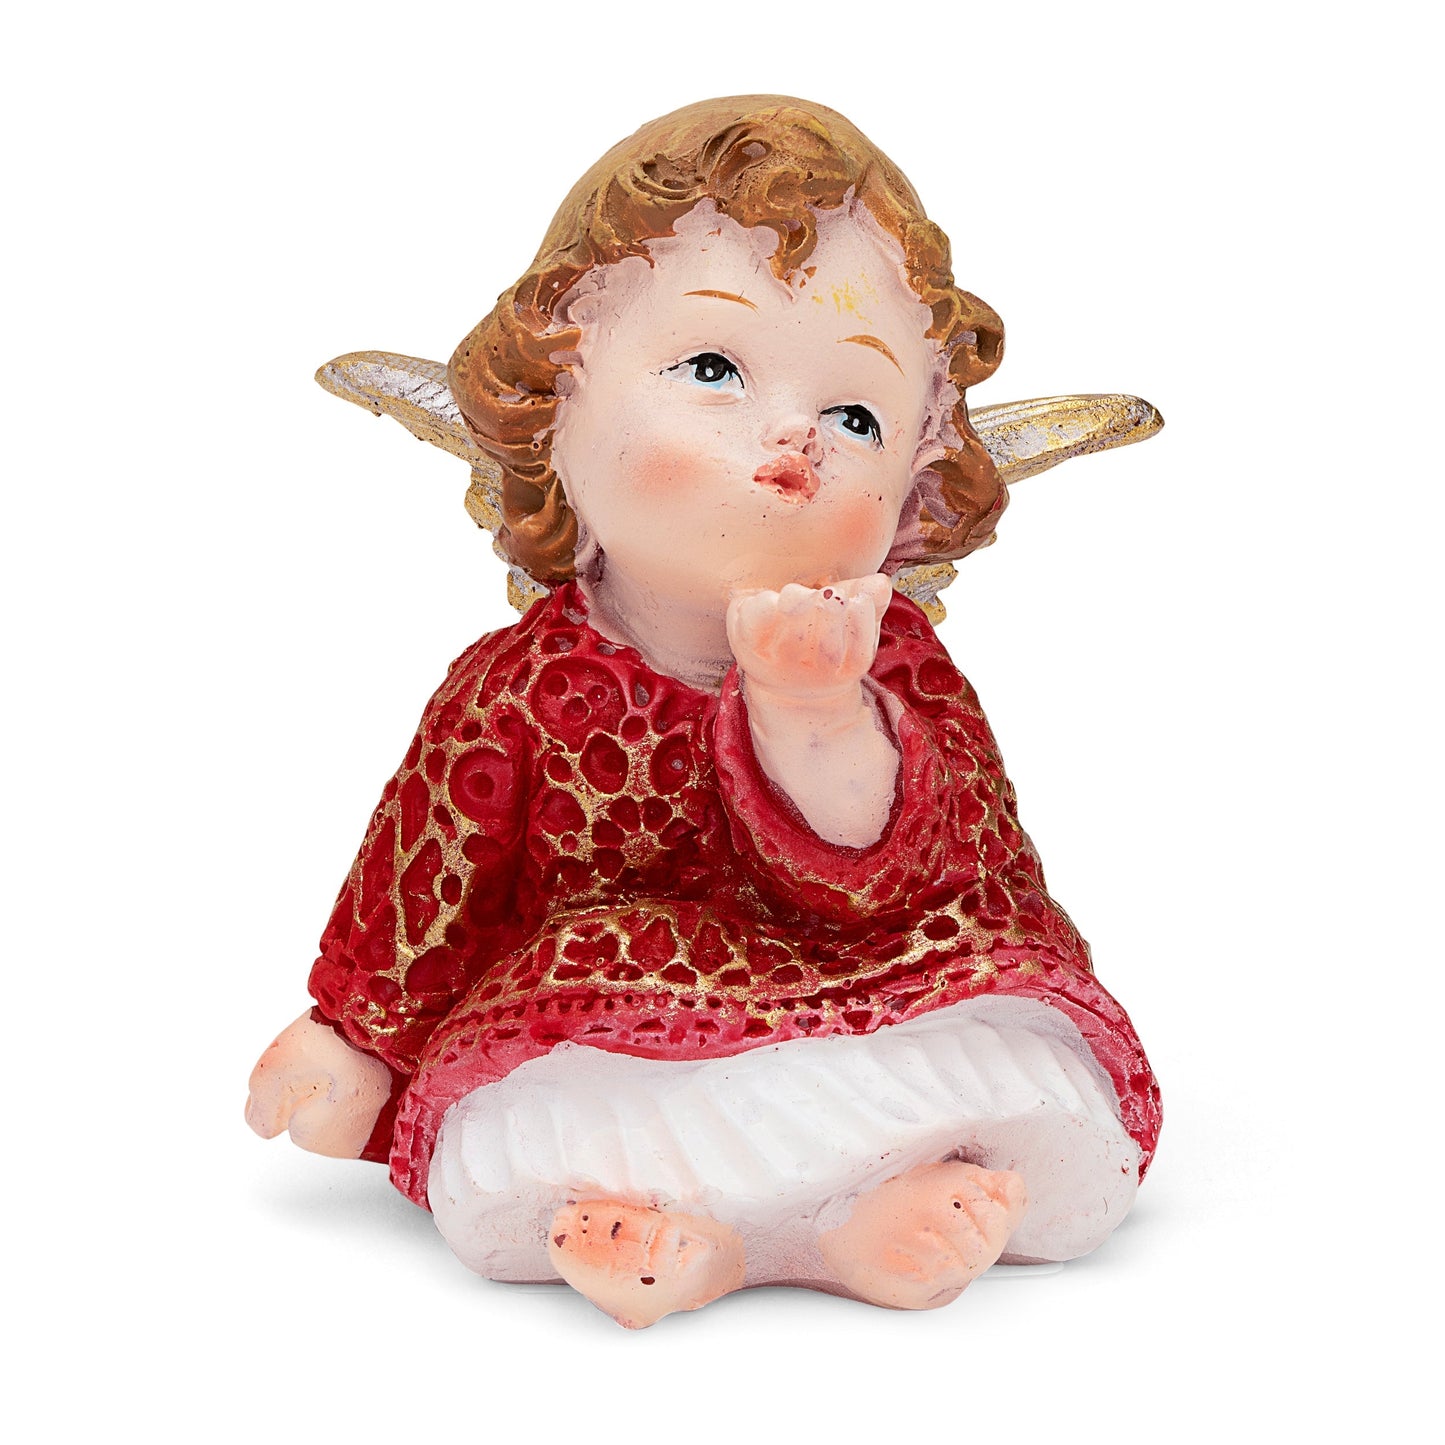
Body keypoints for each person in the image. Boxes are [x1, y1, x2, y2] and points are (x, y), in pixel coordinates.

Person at [247, 96, 1161, 1328]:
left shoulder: (895, 666)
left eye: (855, 415)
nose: (793, 436)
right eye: (713, 369)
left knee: (1016, 1071)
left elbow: (935, 867)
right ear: (551, 412)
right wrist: (357, 1034)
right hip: (615, 1000)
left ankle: (845, 1219)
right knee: (525, 1112)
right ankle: (732, 1236)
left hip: (886, 988)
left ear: (911, 487)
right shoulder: (518, 685)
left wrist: (817, 713)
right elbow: (427, 868)